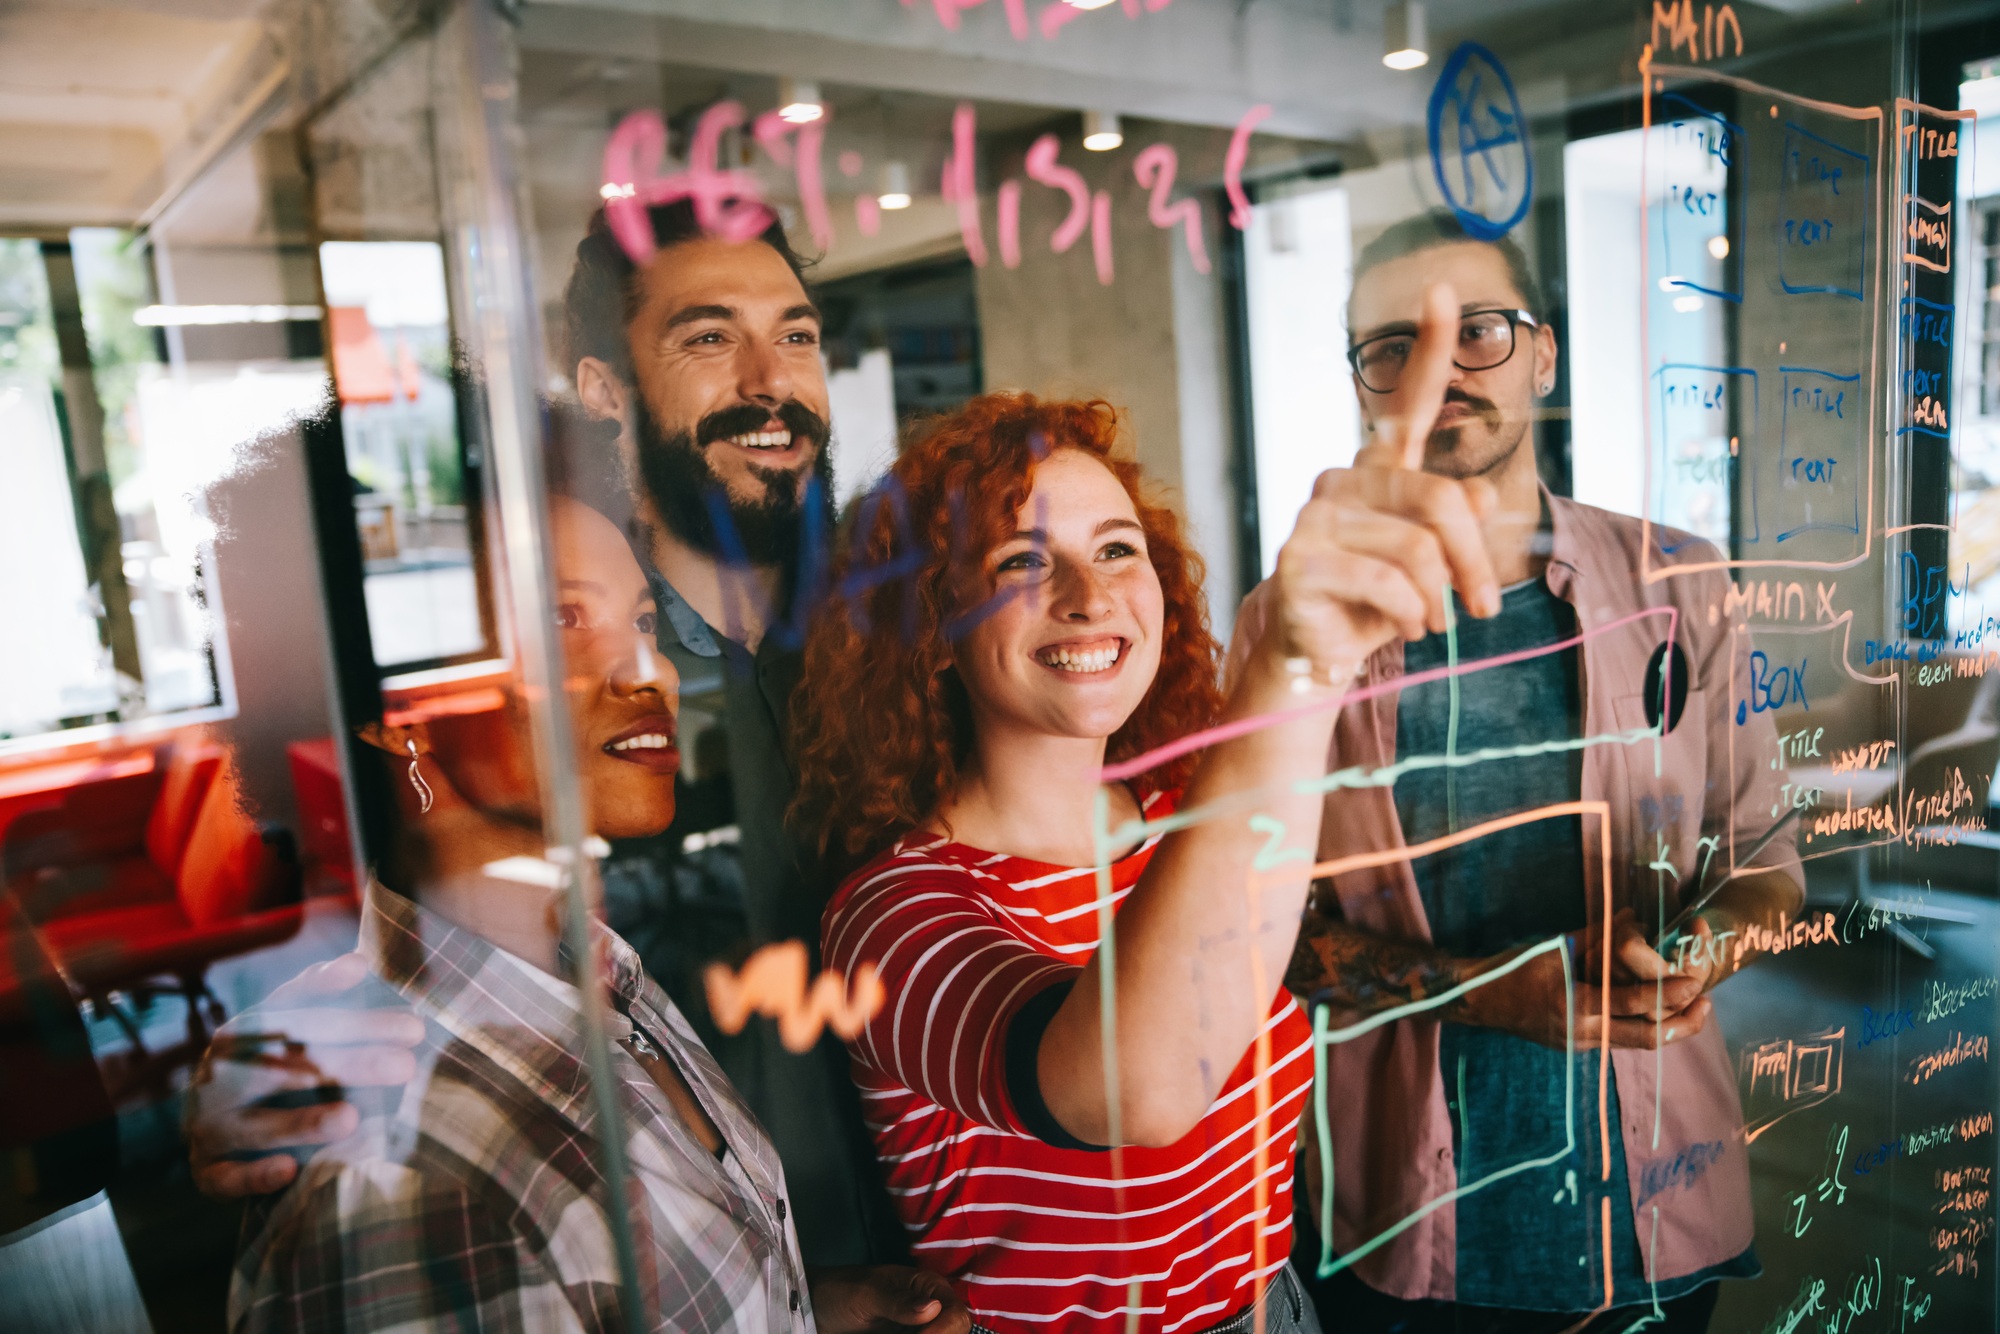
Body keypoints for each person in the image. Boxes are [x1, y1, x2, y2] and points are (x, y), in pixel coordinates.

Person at [193, 198, 905, 1275]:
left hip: (926, 1250)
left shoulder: (904, 621)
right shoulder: (537, 676)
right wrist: (271, 1063)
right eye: (709, 337)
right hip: (646, 1258)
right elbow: (428, 920)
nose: (770, 379)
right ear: (605, 394)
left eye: (796, 334)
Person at [1243, 212, 1805, 1332]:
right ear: (1359, 380)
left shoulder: (1679, 581)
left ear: (1542, 354)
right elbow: (1255, 932)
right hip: (1401, 1225)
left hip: (1654, 1203)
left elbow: (1763, 858)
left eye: (1480, 331)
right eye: (1390, 345)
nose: (1435, 370)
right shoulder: (1288, 625)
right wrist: (1489, 988)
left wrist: (1690, 950)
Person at [225, 496, 964, 1333]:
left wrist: (814, 1305)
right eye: (563, 616)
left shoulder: (596, 971)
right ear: (395, 715)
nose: (654, 672)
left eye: (645, 618)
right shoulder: (407, 1189)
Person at [795, 389, 1446, 1334]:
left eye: (1116, 549)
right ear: (931, 622)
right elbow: (1133, 1092)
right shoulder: (893, 911)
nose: (1090, 597)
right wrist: (1287, 672)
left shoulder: (1187, 825)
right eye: (1023, 561)